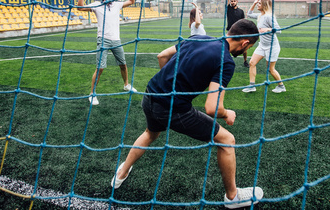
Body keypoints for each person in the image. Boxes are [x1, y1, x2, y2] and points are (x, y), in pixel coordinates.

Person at [111, 19, 264, 209]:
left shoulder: (198, 38)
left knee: (151, 133)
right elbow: (212, 108)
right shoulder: (226, 60)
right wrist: (226, 114)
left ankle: (121, 174)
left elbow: (162, 56)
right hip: (173, 110)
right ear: (245, 44)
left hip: (150, 95)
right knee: (227, 140)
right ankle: (233, 197)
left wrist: (171, 88)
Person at [78, 0, 137, 105]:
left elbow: (132, 1)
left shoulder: (117, 5)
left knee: (123, 64)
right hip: (103, 40)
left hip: (116, 40)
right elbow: (80, 7)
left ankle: (126, 85)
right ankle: (92, 94)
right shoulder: (96, 5)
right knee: (100, 68)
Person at [242, 0, 285, 93]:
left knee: (270, 69)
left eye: (259, 4)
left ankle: (281, 86)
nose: (258, 5)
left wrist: (268, 29)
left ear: (265, 6)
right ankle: (252, 86)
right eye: (258, 4)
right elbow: (249, 14)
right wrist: (254, 3)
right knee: (252, 63)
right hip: (262, 45)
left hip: (272, 47)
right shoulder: (260, 15)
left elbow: (279, 30)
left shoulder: (269, 17)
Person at [157, 2, 205, 69]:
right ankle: (164, 75)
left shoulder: (200, 26)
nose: (201, 14)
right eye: (199, 13)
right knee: (161, 56)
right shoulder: (194, 24)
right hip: (190, 44)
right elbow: (198, 22)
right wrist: (196, 8)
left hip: (194, 46)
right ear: (195, 16)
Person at [226, 0, 249, 68]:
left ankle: (245, 61)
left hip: (239, 32)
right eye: (231, 1)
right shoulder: (228, 9)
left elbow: (243, 22)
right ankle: (226, 62)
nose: (233, 2)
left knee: (244, 48)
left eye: (234, 1)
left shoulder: (241, 11)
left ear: (237, 1)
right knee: (227, 47)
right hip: (230, 32)